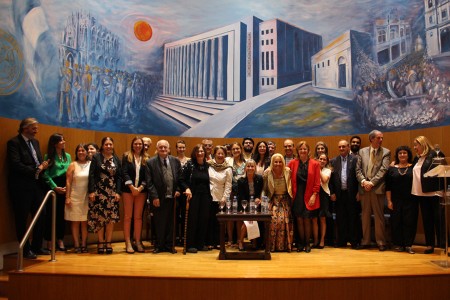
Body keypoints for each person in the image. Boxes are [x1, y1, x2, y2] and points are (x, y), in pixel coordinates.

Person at [7, 118, 50, 259]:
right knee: (22, 219)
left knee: (41, 214)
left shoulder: (35, 143)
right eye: (34, 128)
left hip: (37, 186)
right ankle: (25, 250)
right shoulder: (14, 143)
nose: (36, 130)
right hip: (21, 188)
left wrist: (43, 167)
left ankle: (37, 247)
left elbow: (36, 161)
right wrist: (37, 169)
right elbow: (15, 165)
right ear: (25, 128)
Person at [356, 130, 390, 251]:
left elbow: (384, 169)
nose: (381, 140)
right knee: (365, 216)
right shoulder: (362, 151)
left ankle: (381, 242)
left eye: (382, 138)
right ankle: (365, 241)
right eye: (378, 138)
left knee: (378, 216)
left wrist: (372, 182)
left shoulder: (386, 152)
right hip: (364, 188)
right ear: (371, 139)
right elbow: (358, 169)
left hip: (377, 188)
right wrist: (364, 182)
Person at [146, 140, 182, 254]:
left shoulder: (175, 161)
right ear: (157, 149)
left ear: (169, 148)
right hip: (158, 198)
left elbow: (180, 179)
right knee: (159, 222)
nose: (163, 149)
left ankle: (169, 245)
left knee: (171, 223)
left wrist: (178, 190)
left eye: (165, 147)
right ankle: (159, 245)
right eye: (160, 147)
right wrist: (154, 197)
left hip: (172, 197)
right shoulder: (150, 162)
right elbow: (149, 182)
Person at [88, 137, 122, 254]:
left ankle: (108, 242)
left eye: (110, 144)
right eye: (106, 144)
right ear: (102, 146)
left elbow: (119, 177)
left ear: (113, 145)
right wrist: (91, 191)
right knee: (100, 218)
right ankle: (101, 242)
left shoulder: (116, 159)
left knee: (110, 219)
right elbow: (91, 175)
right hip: (99, 191)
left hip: (112, 193)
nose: (108, 146)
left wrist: (118, 192)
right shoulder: (97, 157)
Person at [412, 136, 444, 254]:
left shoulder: (435, 154)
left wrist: (444, 190)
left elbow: (443, 172)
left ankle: (444, 245)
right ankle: (430, 245)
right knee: (427, 220)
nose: (414, 148)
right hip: (421, 193)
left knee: (439, 220)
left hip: (435, 193)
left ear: (423, 144)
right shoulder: (417, 158)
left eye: (416, 145)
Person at [289, 141, 321, 253]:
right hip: (297, 195)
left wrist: (314, 195)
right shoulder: (293, 163)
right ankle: (300, 243)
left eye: (305, 149)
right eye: (301, 149)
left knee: (307, 219)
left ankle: (307, 243)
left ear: (308, 150)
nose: (303, 151)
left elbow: (317, 181)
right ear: (297, 151)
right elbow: (284, 173)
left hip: (310, 195)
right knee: (299, 220)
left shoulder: (315, 164)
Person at [43, 133, 71, 251]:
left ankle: (60, 239)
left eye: (64, 140)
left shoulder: (68, 156)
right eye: (61, 141)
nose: (64, 142)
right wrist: (54, 187)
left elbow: (70, 172)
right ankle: (49, 241)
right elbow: (45, 174)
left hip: (65, 186)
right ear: (55, 143)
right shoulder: (48, 156)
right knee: (50, 215)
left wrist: (66, 188)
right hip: (53, 187)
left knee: (61, 215)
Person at [330, 140, 360, 248]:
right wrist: (332, 192)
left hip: (352, 193)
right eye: (340, 147)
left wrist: (359, 192)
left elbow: (360, 176)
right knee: (340, 218)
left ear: (348, 147)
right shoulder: (333, 161)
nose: (341, 148)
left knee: (353, 218)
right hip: (339, 194)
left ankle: (354, 242)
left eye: (344, 146)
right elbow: (331, 180)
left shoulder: (355, 160)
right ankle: (341, 241)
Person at [386, 146, 416, 254]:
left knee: (410, 222)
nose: (402, 155)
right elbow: (388, 187)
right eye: (400, 153)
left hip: (411, 200)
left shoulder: (414, 167)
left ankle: (408, 245)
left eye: (404, 153)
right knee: (396, 222)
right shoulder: (392, 169)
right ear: (397, 155)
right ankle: (398, 244)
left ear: (408, 155)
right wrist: (389, 201)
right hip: (395, 200)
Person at [181, 144, 211, 253]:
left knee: (203, 219)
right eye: (198, 151)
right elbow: (181, 179)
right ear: (194, 153)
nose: (200, 153)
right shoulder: (190, 165)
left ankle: (200, 243)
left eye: (202, 151)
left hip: (206, 196)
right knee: (193, 219)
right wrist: (187, 188)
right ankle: (190, 244)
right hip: (193, 195)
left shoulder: (208, 166)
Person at [122, 137, 149, 254]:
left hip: (141, 191)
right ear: (132, 145)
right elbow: (124, 172)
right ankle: (128, 242)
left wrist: (141, 188)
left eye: (140, 144)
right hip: (128, 190)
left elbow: (148, 176)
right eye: (135, 144)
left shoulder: (147, 158)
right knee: (128, 217)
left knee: (138, 217)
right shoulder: (126, 156)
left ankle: (137, 241)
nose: (138, 146)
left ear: (143, 146)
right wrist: (132, 187)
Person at [263, 153, 293, 252]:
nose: (278, 164)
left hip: (285, 200)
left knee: (285, 221)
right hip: (273, 200)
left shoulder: (288, 171)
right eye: (276, 162)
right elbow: (264, 189)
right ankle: (272, 246)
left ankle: (284, 246)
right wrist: (263, 200)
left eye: (280, 162)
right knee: (273, 221)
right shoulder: (268, 173)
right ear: (272, 162)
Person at [65, 144, 90, 253]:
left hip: (87, 197)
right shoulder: (73, 165)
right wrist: (68, 197)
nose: (81, 152)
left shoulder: (91, 164)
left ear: (87, 152)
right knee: (75, 222)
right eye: (79, 150)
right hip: (75, 196)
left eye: (83, 150)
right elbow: (68, 182)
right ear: (76, 153)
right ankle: (76, 244)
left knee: (84, 221)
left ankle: (84, 244)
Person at [207, 146, 232, 249]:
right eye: (218, 153)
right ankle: (209, 242)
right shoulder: (208, 165)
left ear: (225, 155)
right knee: (209, 220)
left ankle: (218, 242)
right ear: (215, 154)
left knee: (219, 222)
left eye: (222, 154)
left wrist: (224, 198)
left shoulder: (228, 168)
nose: (220, 155)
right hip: (208, 196)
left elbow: (228, 185)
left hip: (220, 197)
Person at [237, 159, 263, 251]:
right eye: (248, 166)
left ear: (255, 168)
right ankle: (241, 241)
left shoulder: (259, 179)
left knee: (253, 218)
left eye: (252, 166)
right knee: (248, 220)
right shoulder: (241, 180)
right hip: (244, 205)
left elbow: (260, 192)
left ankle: (254, 241)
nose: (250, 168)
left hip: (257, 205)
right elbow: (241, 196)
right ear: (245, 168)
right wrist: (246, 206)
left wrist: (258, 199)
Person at [225, 142, 247, 246]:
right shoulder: (227, 161)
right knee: (230, 217)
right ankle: (230, 239)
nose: (235, 151)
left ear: (241, 149)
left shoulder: (246, 162)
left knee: (239, 217)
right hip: (231, 193)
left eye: (237, 149)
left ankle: (239, 239)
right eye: (233, 149)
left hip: (242, 194)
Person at [314, 153, 332, 249]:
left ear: (326, 161)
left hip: (324, 195)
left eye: (324, 159)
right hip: (314, 195)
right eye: (320, 159)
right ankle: (316, 240)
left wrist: (318, 169)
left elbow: (324, 180)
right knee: (314, 218)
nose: (322, 161)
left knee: (322, 218)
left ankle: (322, 240)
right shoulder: (313, 168)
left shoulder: (328, 170)